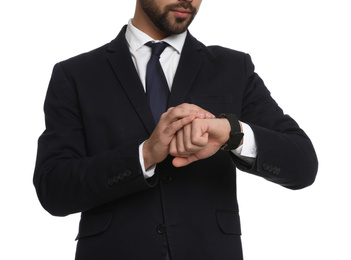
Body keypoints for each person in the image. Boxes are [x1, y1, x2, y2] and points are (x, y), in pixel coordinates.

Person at [33, 0, 318, 259]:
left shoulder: (233, 67)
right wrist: (144, 155)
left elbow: (302, 164)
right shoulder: (75, 75)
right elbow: (53, 188)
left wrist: (233, 133)